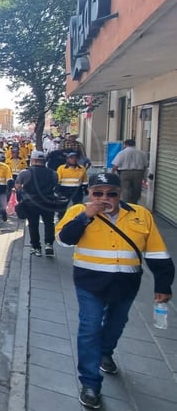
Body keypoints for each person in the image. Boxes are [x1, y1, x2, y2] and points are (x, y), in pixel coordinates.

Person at [56, 173, 174, 409]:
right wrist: (85, 217)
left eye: (111, 193)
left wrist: (163, 286)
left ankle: (105, 352)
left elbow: (157, 253)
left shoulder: (141, 216)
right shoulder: (78, 212)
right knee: (89, 329)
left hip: (126, 284)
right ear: (89, 193)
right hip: (90, 283)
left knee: (116, 324)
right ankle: (90, 384)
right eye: (97, 193)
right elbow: (64, 240)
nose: (104, 198)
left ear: (120, 194)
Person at [16, 151, 60, 257]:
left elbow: (18, 185)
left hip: (32, 204)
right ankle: (49, 244)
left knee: (33, 225)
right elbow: (55, 185)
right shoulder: (53, 173)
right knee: (49, 223)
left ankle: (36, 248)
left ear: (33, 160)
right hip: (48, 203)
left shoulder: (25, 173)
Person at [110, 139, 148, 204]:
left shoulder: (122, 153)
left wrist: (112, 174)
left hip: (125, 173)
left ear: (125, 144)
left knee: (125, 189)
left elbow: (116, 165)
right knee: (137, 189)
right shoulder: (142, 153)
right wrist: (144, 177)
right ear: (134, 144)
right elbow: (145, 165)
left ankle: (126, 203)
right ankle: (134, 203)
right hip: (138, 173)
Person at [56, 152, 88, 218]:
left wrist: (85, 189)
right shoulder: (61, 168)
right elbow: (58, 180)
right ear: (67, 159)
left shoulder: (82, 168)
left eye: (75, 158)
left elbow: (84, 181)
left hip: (77, 190)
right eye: (71, 158)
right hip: (64, 190)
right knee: (62, 208)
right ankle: (61, 220)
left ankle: (76, 220)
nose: (73, 159)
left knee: (77, 207)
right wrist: (57, 190)